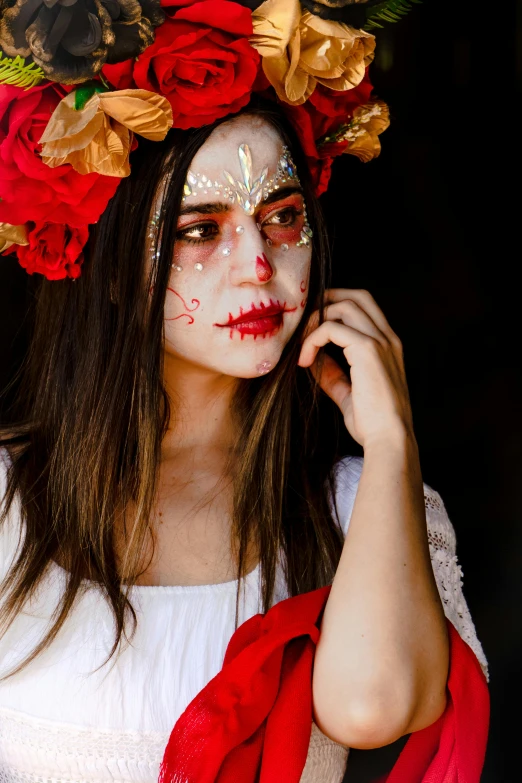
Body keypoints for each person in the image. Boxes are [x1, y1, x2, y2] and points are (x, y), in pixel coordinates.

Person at [0, 1, 489, 781]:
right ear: (116, 263)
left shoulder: (362, 506)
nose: (257, 262)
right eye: (201, 229)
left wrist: (393, 440)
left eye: (283, 216)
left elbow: (375, 708)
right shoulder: (8, 498)